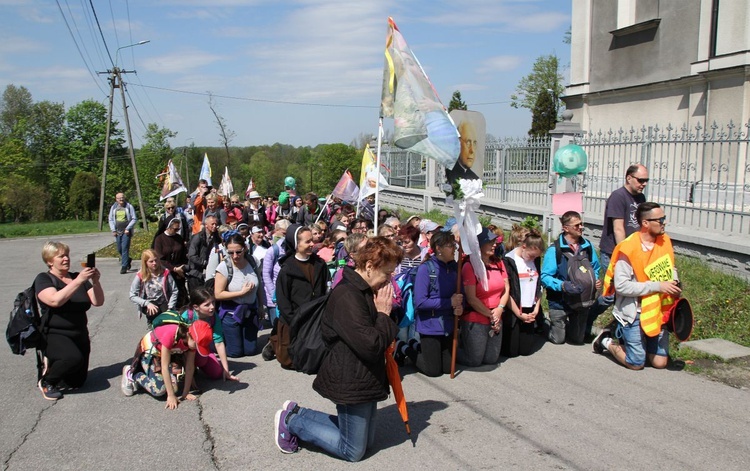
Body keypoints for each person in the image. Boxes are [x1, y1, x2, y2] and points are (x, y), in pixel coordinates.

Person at [273, 237, 402, 461]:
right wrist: (383, 314)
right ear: (369, 267)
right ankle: (291, 421)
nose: (389, 280)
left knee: (368, 442)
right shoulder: (348, 295)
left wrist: (383, 315)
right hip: (350, 377)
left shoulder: (364, 289)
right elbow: (371, 346)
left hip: (364, 374)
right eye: (387, 273)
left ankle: (298, 413)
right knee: (352, 450)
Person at [592, 202, 681, 370]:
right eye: (660, 219)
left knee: (660, 363)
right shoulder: (628, 248)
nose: (664, 222)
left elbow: (671, 267)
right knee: (636, 363)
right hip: (634, 312)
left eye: (664, 218)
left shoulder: (665, 241)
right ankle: (606, 341)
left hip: (657, 311)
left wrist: (674, 281)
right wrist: (658, 286)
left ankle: (639, 343)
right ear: (645, 223)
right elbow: (622, 287)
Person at [35, 241, 104, 400]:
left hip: (79, 332)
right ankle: (47, 381)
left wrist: (96, 281)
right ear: (50, 261)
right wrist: (79, 280)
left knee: (77, 382)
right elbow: (54, 300)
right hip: (55, 333)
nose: (66, 259)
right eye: (61, 256)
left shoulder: (76, 277)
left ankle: (55, 364)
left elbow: (98, 302)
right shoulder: (44, 279)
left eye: (67, 255)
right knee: (72, 358)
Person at [588, 164, 650, 335]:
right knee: (610, 295)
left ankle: (620, 330)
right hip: (615, 254)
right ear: (629, 177)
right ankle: (586, 321)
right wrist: (625, 255)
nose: (644, 183)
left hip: (635, 255)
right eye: (641, 180)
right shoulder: (618, 197)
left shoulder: (641, 198)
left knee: (628, 295)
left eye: (646, 180)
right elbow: (618, 229)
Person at [404, 231, 463, 376]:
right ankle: (407, 348)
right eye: (450, 246)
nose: (454, 249)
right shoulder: (426, 269)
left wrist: (461, 306)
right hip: (430, 325)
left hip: (448, 324)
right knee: (433, 371)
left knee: (449, 368)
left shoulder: (455, 268)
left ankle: (419, 347)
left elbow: (461, 295)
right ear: (439, 248)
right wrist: (449, 302)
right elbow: (421, 302)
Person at [120, 319, 213, 410]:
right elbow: (164, 367)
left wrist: (185, 393)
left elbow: (189, 367)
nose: (196, 348)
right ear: (189, 335)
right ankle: (133, 374)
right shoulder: (170, 335)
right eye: (197, 345)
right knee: (159, 390)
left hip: (166, 355)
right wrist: (171, 396)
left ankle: (148, 377)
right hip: (150, 353)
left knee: (174, 388)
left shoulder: (191, 342)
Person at [273, 224, 331, 369]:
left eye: (312, 240)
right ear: (296, 244)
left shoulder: (320, 264)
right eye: (307, 242)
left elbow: (325, 290)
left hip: (314, 316)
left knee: (315, 358)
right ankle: (274, 341)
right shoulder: (287, 269)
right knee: (288, 361)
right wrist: (294, 320)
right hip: (294, 318)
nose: (312, 244)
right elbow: (283, 299)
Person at [541, 212, 602, 345]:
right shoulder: (555, 250)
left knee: (577, 340)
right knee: (559, 339)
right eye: (577, 225)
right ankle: (544, 323)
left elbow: (596, 268)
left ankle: (569, 326)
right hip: (559, 301)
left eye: (581, 224)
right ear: (566, 228)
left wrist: (594, 279)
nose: (581, 227)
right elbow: (545, 277)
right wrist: (562, 285)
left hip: (581, 300)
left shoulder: (588, 247)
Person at [459, 227, 509, 366]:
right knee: (474, 360)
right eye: (490, 241)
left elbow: (506, 288)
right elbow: (471, 298)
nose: (494, 244)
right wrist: (491, 315)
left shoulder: (498, 263)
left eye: (495, 241)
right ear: (479, 244)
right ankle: (451, 351)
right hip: (477, 317)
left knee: (491, 359)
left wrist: (499, 310)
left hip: (496, 315)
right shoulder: (469, 266)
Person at [213, 233, 261, 357]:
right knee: (235, 353)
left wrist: (261, 306)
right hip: (231, 314)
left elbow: (259, 285)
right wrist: (241, 293)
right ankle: (213, 344)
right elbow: (218, 294)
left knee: (250, 351)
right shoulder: (224, 267)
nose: (235, 256)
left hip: (250, 312)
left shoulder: (253, 261)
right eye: (230, 253)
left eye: (238, 252)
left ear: (245, 248)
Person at [180, 287, 239, 381]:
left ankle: (200, 363)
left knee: (217, 373)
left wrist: (226, 370)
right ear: (196, 307)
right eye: (207, 305)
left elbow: (219, 342)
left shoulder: (214, 317)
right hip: (185, 351)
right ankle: (187, 367)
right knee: (189, 371)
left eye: (213, 302)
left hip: (203, 349)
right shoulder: (187, 316)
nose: (212, 307)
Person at [502, 229, 544, 358]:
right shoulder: (509, 260)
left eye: (536, 257)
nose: (533, 259)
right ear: (524, 246)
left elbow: (538, 286)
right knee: (511, 352)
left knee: (526, 351)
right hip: (514, 308)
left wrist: (536, 309)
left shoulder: (535, 260)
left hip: (530, 308)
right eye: (532, 256)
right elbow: (506, 291)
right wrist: (519, 314)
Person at [129, 249, 178, 327]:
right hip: (149, 301)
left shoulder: (165, 272)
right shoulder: (141, 275)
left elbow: (174, 290)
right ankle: (152, 325)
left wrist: (171, 306)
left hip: (164, 300)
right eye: (151, 261)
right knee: (154, 313)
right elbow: (132, 295)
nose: (154, 263)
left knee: (168, 318)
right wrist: (146, 303)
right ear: (145, 263)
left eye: (156, 260)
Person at [153, 216, 189, 305]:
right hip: (165, 270)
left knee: (181, 296)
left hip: (179, 270)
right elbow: (160, 258)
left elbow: (184, 255)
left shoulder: (179, 238)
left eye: (178, 229)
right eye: (175, 229)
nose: (177, 231)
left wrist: (182, 268)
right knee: (169, 295)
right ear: (168, 227)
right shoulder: (159, 239)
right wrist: (173, 269)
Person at [186, 215, 221, 294]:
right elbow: (192, 255)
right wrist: (205, 263)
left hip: (208, 273)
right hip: (196, 273)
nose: (215, 226)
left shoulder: (216, 238)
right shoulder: (197, 237)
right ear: (206, 225)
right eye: (212, 224)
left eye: (216, 224)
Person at [108, 192, 137, 274]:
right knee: (119, 249)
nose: (121, 199)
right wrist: (113, 229)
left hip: (126, 232)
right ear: (116, 199)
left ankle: (124, 266)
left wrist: (128, 228)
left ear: (124, 198)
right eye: (119, 198)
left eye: (122, 197)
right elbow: (110, 219)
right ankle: (127, 259)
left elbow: (134, 218)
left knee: (124, 248)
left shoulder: (129, 206)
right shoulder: (113, 207)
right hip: (117, 231)